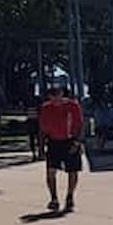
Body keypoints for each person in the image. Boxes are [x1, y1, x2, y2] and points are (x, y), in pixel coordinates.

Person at [38, 82, 84, 213]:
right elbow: (42, 130)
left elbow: (80, 125)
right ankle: (54, 198)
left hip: (70, 140)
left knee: (72, 170)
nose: (55, 99)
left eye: (57, 95)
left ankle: (70, 196)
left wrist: (77, 142)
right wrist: (41, 148)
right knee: (51, 172)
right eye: (52, 97)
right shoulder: (46, 108)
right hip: (53, 142)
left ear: (62, 94)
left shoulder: (72, 106)